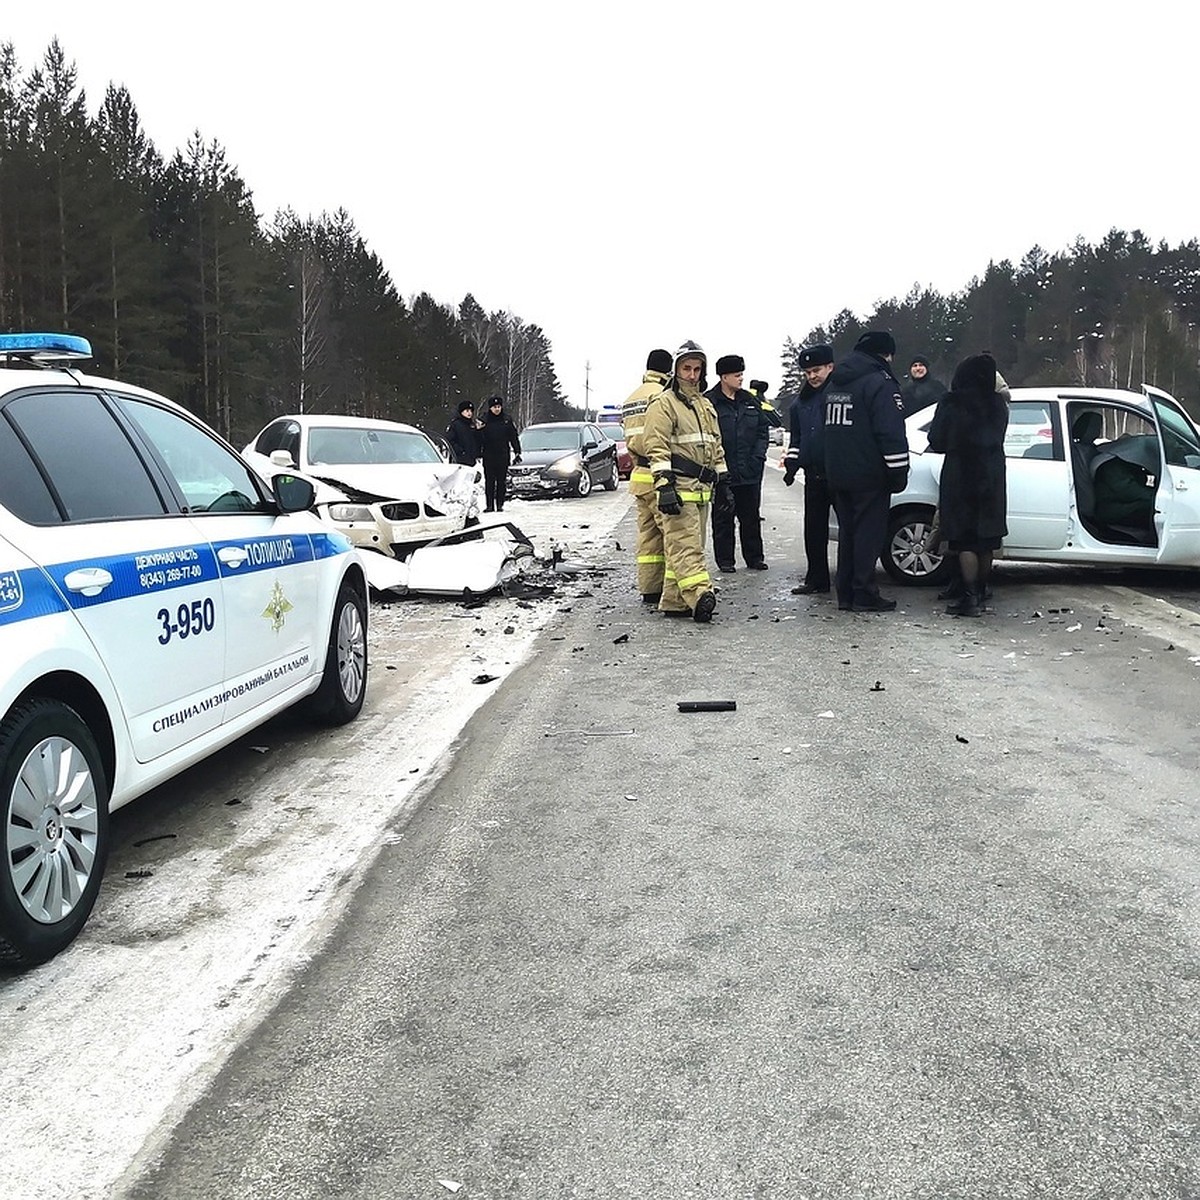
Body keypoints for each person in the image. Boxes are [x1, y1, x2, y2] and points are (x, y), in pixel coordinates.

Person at [822, 330, 909, 612]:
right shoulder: (879, 382)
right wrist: (899, 471)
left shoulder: (834, 382)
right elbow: (890, 431)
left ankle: (845, 593)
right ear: (886, 354)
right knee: (868, 535)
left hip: (838, 471)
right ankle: (864, 592)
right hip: (869, 473)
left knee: (848, 534)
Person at [642, 340, 726, 623]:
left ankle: (675, 601)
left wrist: (723, 481)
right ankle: (700, 593)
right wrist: (664, 485)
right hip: (679, 490)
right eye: (686, 368)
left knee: (686, 547)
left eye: (697, 369)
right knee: (686, 548)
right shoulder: (664, 403)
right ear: (676, 370)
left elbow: (716, 445)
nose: (692, 375)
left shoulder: (705, 405)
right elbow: (656, 446)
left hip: (703, 491)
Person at [925, 353, 1008, 616]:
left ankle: (968, 598)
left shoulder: (952, 403)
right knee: (985, 540)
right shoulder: (998, 404)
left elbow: (936, 440)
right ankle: (981, 593)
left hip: (961, 473)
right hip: (993, 473)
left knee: (964, 541)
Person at [706, 354, 771, 572]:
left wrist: (759, 457)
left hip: (750, 471)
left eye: (742, 374)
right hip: (723, 472)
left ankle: (755, 558)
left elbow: (763, 430)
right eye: (737, 375)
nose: (741, 379)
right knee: (723, 518)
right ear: (724, 377)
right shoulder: (710, 402)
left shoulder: (749, 400)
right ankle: (725, 561)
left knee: (751, 517)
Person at [622, 349, 675, 603]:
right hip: (659, 474)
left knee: (648, 538)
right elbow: (666, 438)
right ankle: (675, 591)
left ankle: (650, 588)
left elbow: (630, 440)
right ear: (668, 369)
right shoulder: (662, 396)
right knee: (673, 534)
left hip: (639, 475)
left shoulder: (631, 398)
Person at [782, 344, 835, 594]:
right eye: (807, 372)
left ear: (830, 367)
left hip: (840, 473)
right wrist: (793, 464)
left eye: (817, 370)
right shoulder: (799, 403)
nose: (812, 376)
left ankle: (850, 579)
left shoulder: (840, 395)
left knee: (849, 530)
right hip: (813, 474)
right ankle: (816, 579)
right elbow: (797, 439)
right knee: (814, 531)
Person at [478, 395, 521, 512]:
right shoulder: (484, 420)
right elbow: (477, 437)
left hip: (503, 454)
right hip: (489, 455)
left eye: (498, 407)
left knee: (501, 481)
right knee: (490, 481)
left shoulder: (507, 420)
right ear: (490, 408)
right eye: (494, 407)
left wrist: (517, 451)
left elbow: (513, 436)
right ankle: (489, 505)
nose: (497, 409)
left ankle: (500, 504)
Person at [445, 400, 480, 466]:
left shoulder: (472, 425)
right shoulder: (456, 424)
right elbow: (449, 440)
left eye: (471, 411)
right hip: (459, 460)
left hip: (471, 460)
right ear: (461, 412)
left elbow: (476, 441)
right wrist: (460, 451)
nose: (469, 413)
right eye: (467, 411)